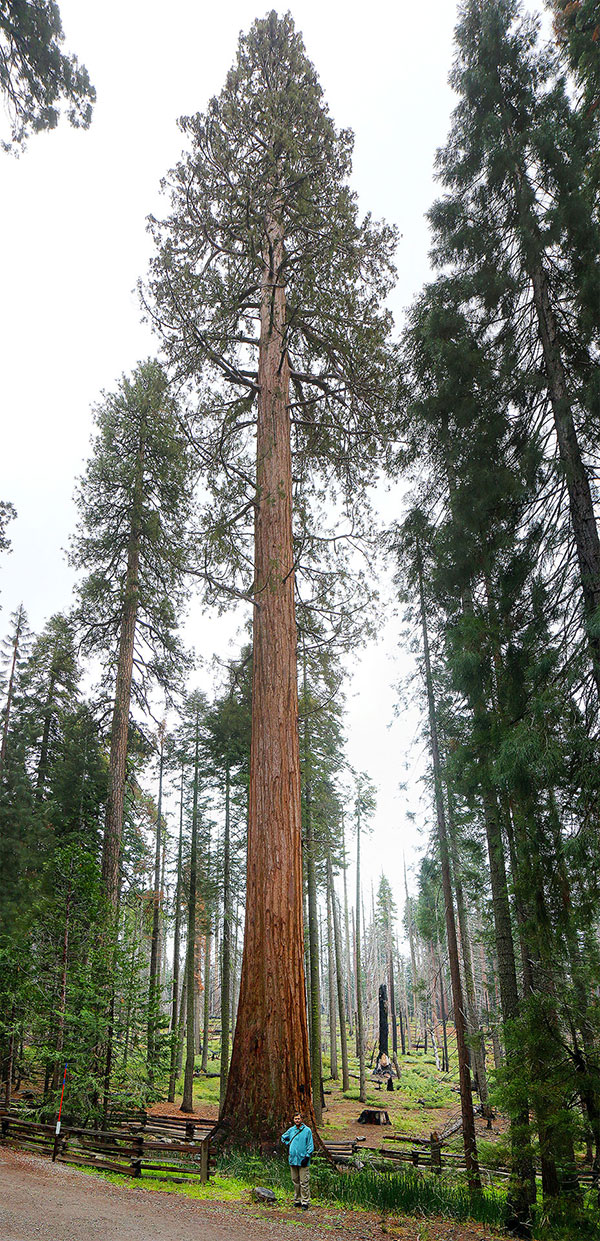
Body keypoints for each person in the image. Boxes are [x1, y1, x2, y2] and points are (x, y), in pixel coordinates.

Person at [281, 1111, 314, 1209]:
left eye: (298, 1118)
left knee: (304, 1182)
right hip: (293, 1160)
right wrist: (288, 1143)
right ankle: (297, 1200)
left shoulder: (307, 1130)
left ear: (302, 1119)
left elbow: (310, 1145)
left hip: (303, 1160)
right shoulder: (291, 1130)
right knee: (295, 1181)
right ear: (293, 1120)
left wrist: (307, 1156)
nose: (297, 1120)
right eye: (295, 1119)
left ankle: (305, 1202)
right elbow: (283, 1137)